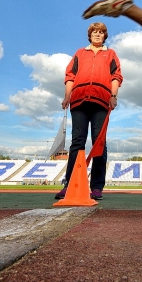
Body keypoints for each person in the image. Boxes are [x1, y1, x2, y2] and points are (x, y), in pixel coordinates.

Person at [56, 22, 123, 201]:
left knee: (98, 142)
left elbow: (116, 76)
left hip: (101, 101)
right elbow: (70, 75)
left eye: (101, 32)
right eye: (95, 32)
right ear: (90, 35)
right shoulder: (79, 53)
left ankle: (96, 187)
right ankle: (69, 185)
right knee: (77, 141)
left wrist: (113, 96)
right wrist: (67, 96)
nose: (98, 35)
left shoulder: (111, 54)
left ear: (104, 36)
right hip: (79, 100)